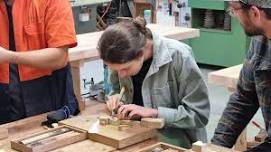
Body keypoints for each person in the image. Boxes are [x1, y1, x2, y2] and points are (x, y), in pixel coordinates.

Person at [97, 17, 210, 148]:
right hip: (134, 134)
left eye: (125, 69)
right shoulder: (120, 59)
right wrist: (116, 98)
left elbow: (199, 115)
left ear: (141, 53)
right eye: (115, 70)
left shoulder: (180, 56)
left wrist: (154, 113)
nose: (121, 74)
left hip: (176, 142)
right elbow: (116, 89)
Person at [0, 0, 79, 124]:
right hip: (5, 104)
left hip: (49, 100)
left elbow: (60, 57)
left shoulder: (51, 2)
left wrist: (8, 56)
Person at [211, 0, 271, 151]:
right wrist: (216, 147)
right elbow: (244, 97)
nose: (233, 16)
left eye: (234, 10)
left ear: (254, 13)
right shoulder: (260, 40)